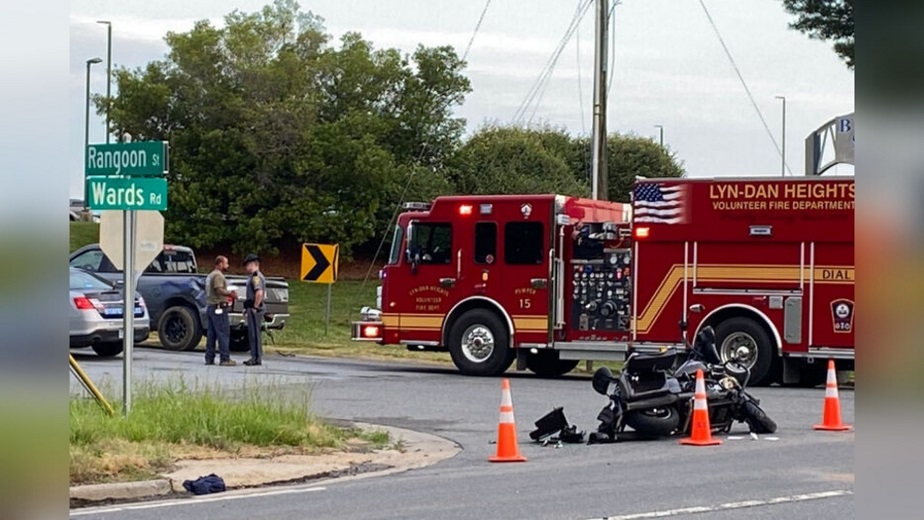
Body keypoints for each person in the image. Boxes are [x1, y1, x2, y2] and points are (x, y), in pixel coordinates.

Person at [204, 255, 237, 366]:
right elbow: (219, 290)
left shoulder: (210, 275)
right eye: (226, 263)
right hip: (218, 307)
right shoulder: (218, 276)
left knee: (211, 334)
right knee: (223, 333)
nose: (227, 265)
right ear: (220, 264)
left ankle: (209, 358)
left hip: (210, 306)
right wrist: (230, 293)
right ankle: (225, 358)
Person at [242, 253, 266, 366]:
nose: (246, 267)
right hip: (251, 308)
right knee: (253, 333)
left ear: (252, 264)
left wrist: (255, 307)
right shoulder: (254, 276)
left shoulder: (256, 277)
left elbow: (259, 293)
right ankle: (255, 356)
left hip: (255, 309)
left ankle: (256, 357)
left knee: (254, 334)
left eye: (247, 265)